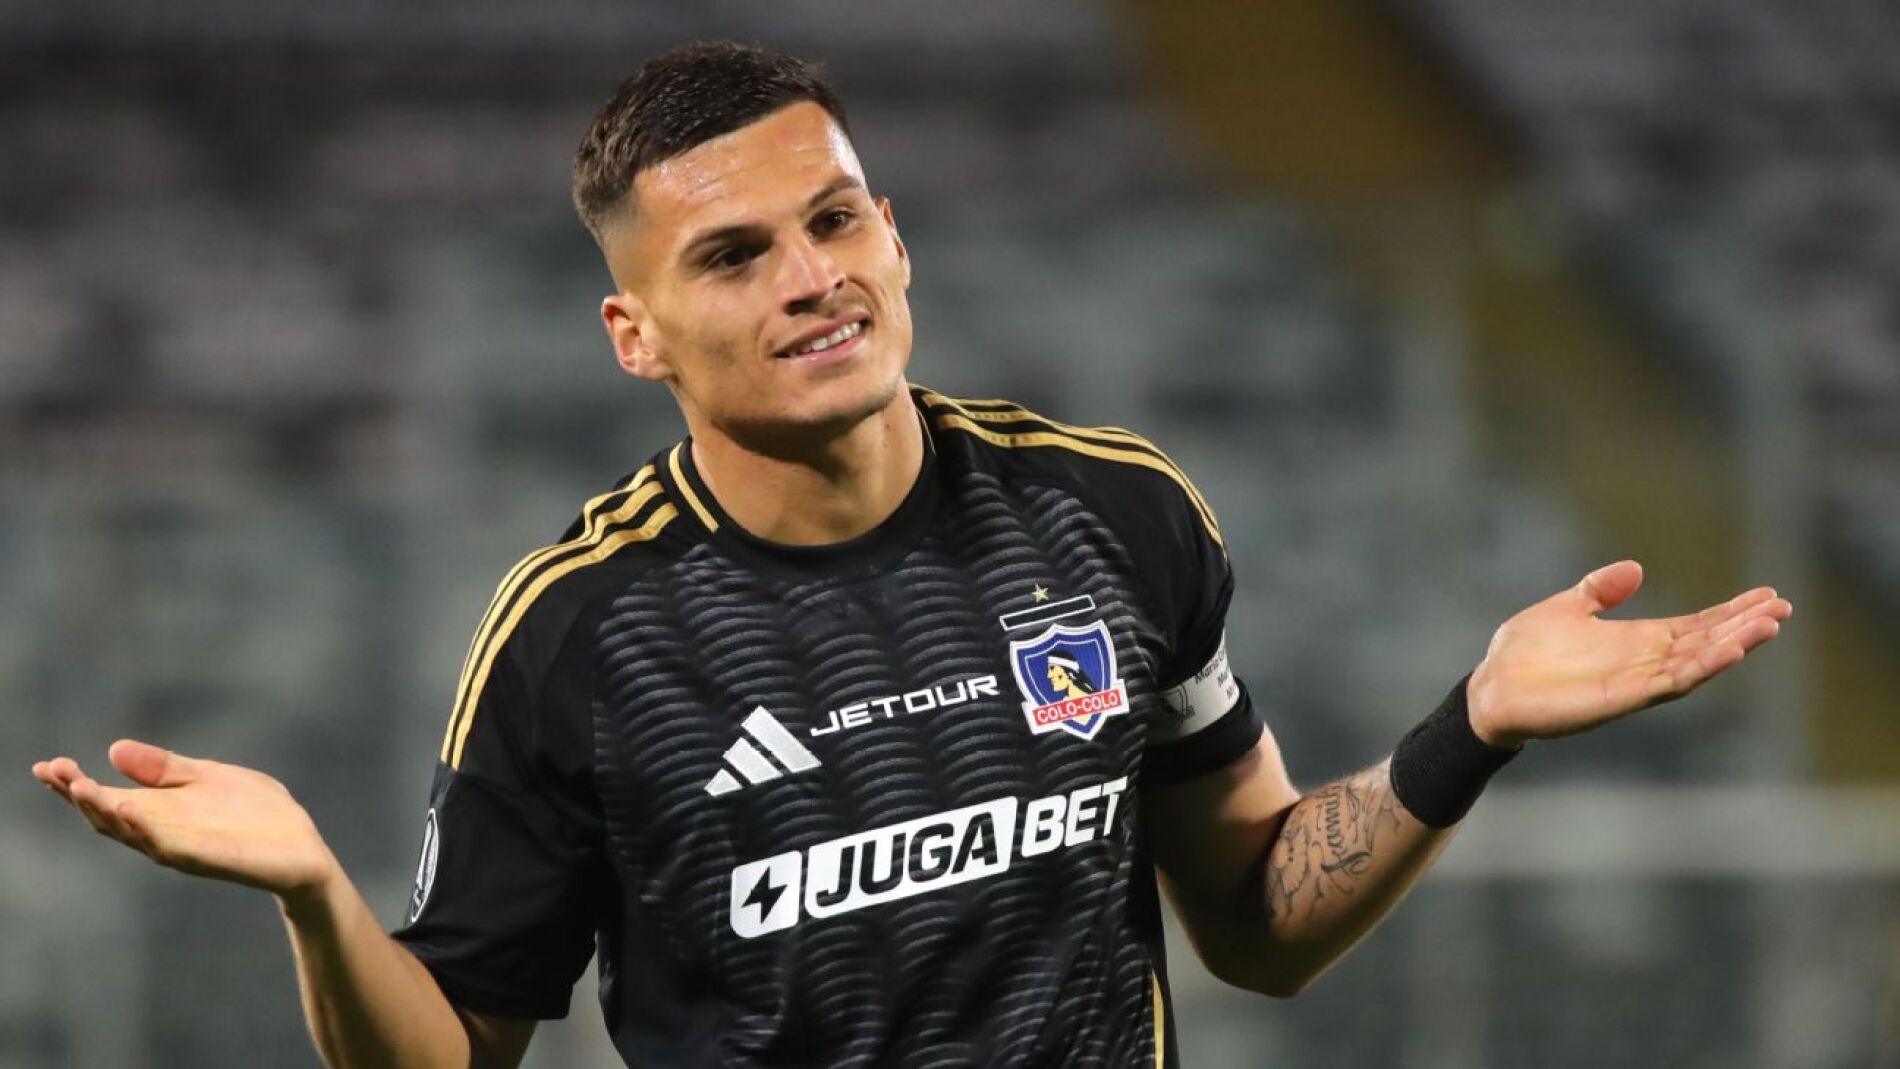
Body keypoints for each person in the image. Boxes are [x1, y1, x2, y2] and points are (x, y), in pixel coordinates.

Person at [31, 42, 1793, 1069]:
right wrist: (319, 896)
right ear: (634, 334)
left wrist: (1470, 723)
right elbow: (452, 1052)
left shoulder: (1114, 514)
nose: (811, 278)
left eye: (833, 218)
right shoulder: (579, 633)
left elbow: (1257, 918)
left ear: (894, 234)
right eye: (732, 255)